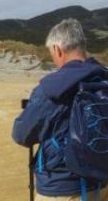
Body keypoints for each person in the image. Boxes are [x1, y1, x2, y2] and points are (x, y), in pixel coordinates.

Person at [12, 18, 108, 201]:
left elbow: (21, 135)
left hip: (62, 186)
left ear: (57, 49)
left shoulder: (51, 89)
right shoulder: (103, 79)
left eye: (51, 52)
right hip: (102, 182)